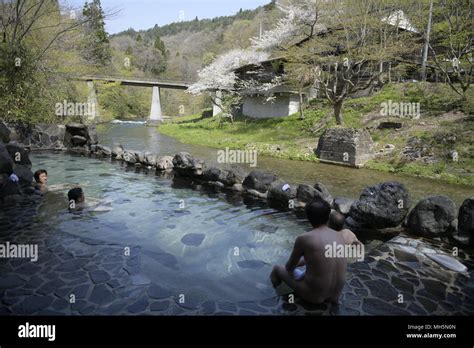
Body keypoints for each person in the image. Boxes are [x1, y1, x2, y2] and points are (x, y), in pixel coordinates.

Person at [270, 198, 347, 304]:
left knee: (277, 269)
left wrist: (297, 265)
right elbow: (323, 257)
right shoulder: (340, 236)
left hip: (315, 297)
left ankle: (274, 295)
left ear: (308, 217)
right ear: (328, 216)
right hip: (335, 296)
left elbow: (289, 267)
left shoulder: (304, 238)